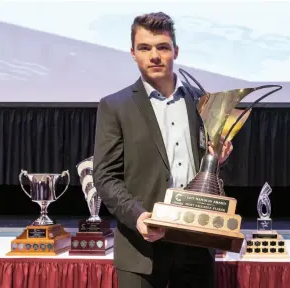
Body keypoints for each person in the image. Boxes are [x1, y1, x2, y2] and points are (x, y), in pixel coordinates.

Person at [93, 12, 233, 288]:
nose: (154, 55)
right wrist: (139, 217)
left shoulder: (203, 103)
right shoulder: (115, 106)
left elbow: (206, 167)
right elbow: (105, 176)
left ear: (175, 51)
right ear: (133, 53)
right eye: (145, 48)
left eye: (162, 47)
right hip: (140, 248)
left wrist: (218, 161)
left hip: (196, 243)